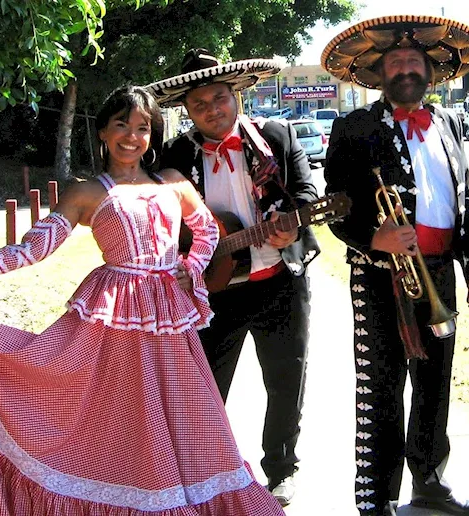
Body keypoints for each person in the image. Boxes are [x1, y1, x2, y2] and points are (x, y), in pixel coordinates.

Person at [0, 85, 284, 515]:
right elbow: (34, 248)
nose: (131, 136)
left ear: (153, 135)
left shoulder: (174, 182)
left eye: (143, 127)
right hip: (112, 322)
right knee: (120, 423)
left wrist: (191, 266)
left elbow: (208, 232)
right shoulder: (86, 192)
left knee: (193, 423)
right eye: (121, 124)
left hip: (168, 324)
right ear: (103, 132)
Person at [320, 15, 469, 516]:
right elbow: (337, 204)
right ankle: (376, 496)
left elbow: (465, 201)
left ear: (428, 70)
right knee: (382, 384)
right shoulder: (354, 127)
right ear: (381, 71)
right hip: (378, 277)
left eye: (413, 60)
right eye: (394, 61)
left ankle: (430, 482)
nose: (404, 68)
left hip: (439, 271)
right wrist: (375, 236)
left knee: (436, 382)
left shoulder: (449, 123)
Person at [147, 49, 319, 506]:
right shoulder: (177, 155)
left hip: (281, 280)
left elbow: (306, 191)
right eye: (200, 104)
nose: (212, 110)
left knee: (286, 379)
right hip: (215, 289)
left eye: (219, 98)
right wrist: (184, 259)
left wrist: (292, 222)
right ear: (186, 110)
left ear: (237, 95)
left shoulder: (276, 136)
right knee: (205, 385)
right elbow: (161, 219)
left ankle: (281, 470)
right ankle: (206, 471)